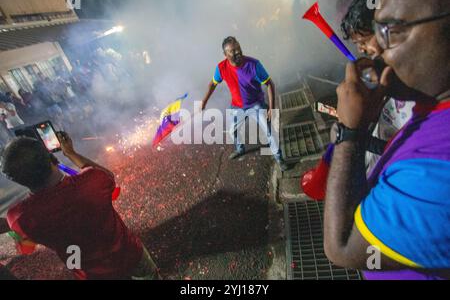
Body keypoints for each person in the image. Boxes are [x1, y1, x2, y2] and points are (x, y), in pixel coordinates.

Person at [324, 0, 450, 280]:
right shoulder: (431, 110)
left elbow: (341, 246)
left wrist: (349, 134)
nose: (376, 52)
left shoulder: (438, 172)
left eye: (390, 31)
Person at [0, 134, 161, 280]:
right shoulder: (92, 182)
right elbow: (106, 176)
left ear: (16, 179)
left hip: (91, 274)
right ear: (50, 157)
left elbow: (26, 243)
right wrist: (71, 153)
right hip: (129, 254)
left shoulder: (19, 217)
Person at [340, 0, 415, 173]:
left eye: (363, 40)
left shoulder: (420, 93)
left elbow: (408, 153)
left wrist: (351, 137)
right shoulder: (395, 84)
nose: (361, 49)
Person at [201, 36, 289, 171]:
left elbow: (269, 84)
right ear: (225, 54)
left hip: (256, 105)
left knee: (269, 132)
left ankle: (279, 158)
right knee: (232, 130)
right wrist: (204, 102)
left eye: (238, 48)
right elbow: (212, 84)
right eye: (232, 51)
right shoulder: (221, 68)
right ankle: (240, 148)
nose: (237, 52)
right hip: (237, 106)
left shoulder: (254, 65)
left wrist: (271, 108)